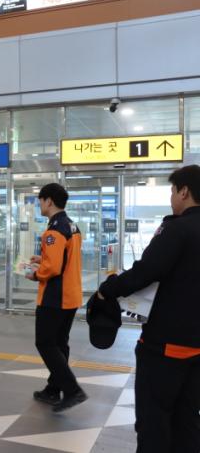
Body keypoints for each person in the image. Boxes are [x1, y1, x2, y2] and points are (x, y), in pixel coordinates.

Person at [96, 165, 200, 453]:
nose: (171, 198)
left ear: (184, 191)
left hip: (166, 345)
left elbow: (146, 271)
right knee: (188, 419)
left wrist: (108, 289)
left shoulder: (176, 229)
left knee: (154, 421)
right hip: (197, 347)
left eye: (172, 191)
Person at [25, 183, 87, 412]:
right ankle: (53, 389)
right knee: (60, 343)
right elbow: (64, 260)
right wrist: (42, 260)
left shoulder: (53, 230)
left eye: (40, 201)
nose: (39, 205)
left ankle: (72, 390)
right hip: (71, 294)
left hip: (54, 297)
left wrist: (35, 274)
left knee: (45, 343)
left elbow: (52, 269)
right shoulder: (72, 226)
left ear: (48, 201)